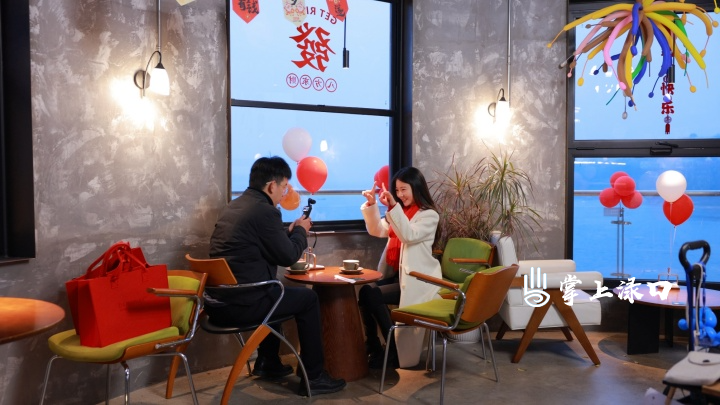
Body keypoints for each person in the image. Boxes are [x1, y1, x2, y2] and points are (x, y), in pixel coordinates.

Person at [206, 156, 346, 396]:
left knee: (274, 290)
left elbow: (264, 245)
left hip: (218, 303)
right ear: (272, 186)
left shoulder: (234, 206)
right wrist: (300, 230)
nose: (284, 193)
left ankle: (268, 362)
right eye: (284, 187)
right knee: (307, 299)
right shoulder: (265, 211)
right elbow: (289, 256)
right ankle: (314, 377)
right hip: (241, 304)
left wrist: (288, 233)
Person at [359, 166, 442, 369]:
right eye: (397, 190)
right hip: (399, 277)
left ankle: (393, 350)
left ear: (416, 187)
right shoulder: (400, 213)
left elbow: (408, 235)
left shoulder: (429, 215)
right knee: (365, 292)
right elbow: (378, 230)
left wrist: (393, 207)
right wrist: (372, 205)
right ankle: (374, 345)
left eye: (404, 189)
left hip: (419, 280)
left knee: (372, 295)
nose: (400, 194)